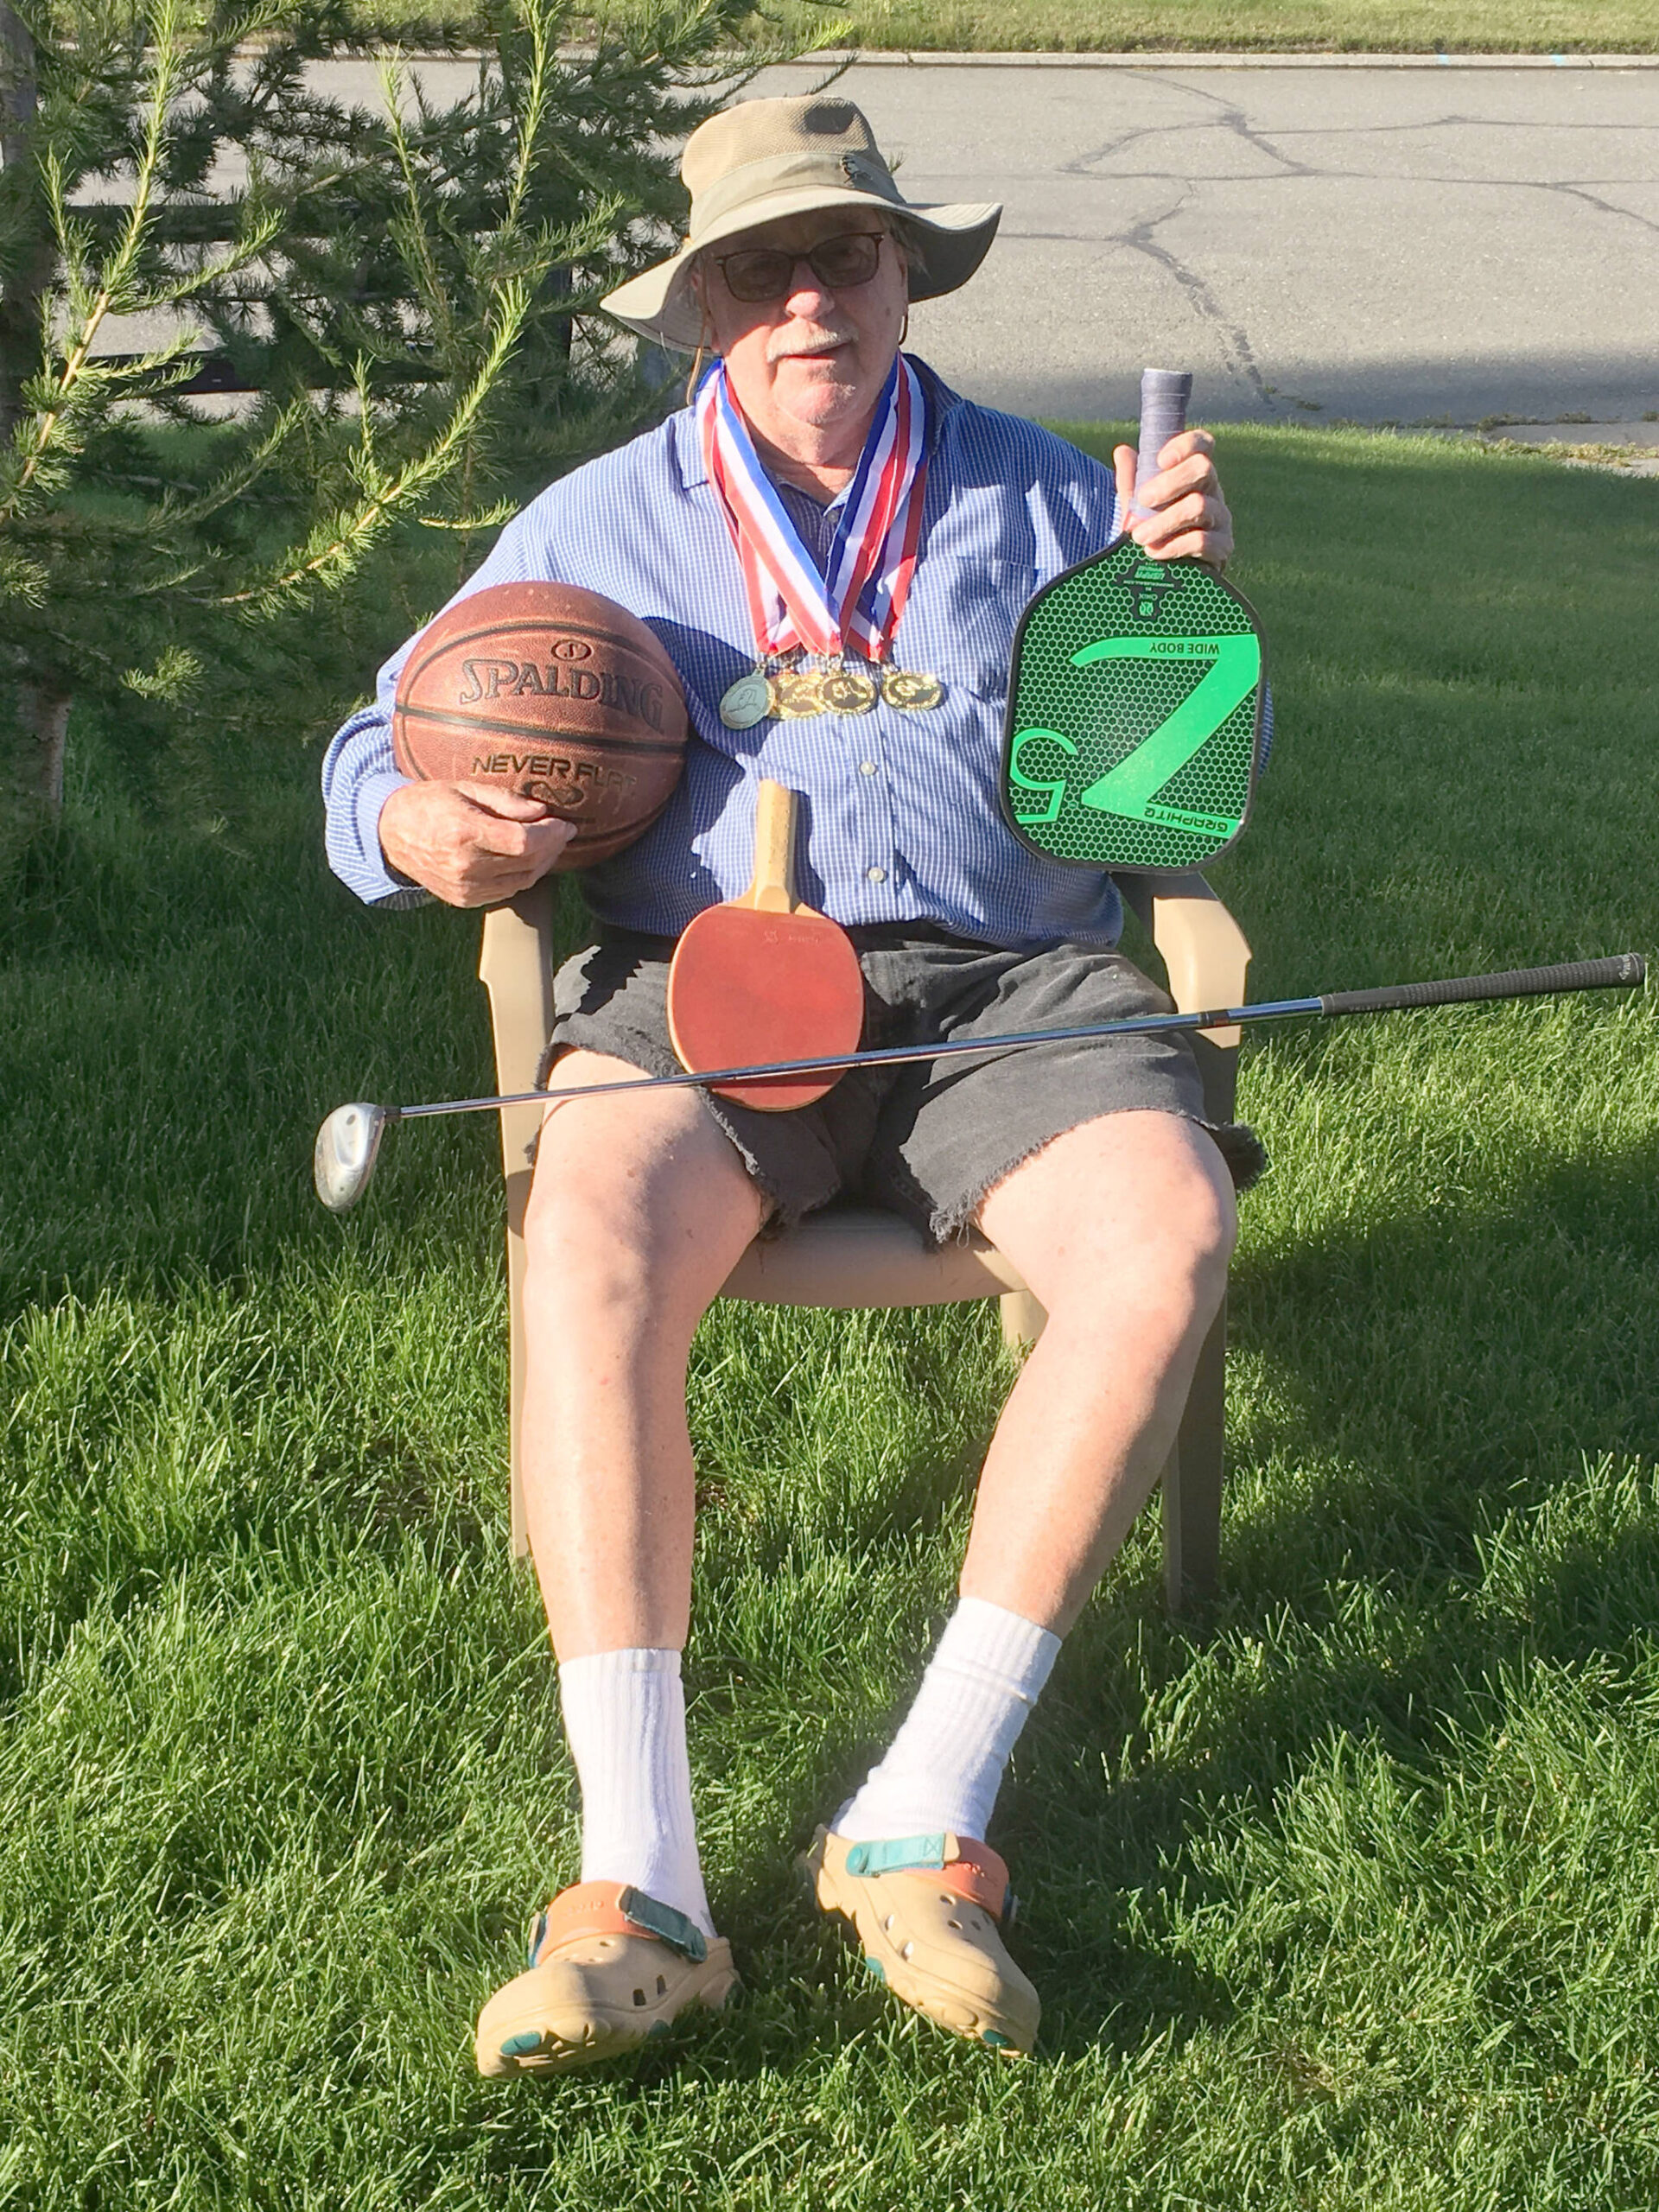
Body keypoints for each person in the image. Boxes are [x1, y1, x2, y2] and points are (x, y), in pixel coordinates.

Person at [322, 92, 1261, 2074]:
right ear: (703, 311)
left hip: (1011, 985)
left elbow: (1159, 798)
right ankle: (639, 1880)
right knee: (583, 1224)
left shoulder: (1040, 493)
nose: (808, 296)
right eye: (760, 265)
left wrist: (1181, 608)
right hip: (696, 985)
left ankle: (921, 1814)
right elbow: (372, 739)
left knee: (1168, 1221)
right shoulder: (595, 524)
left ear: (907, 269)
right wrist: (416, 819)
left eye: (843, 251)